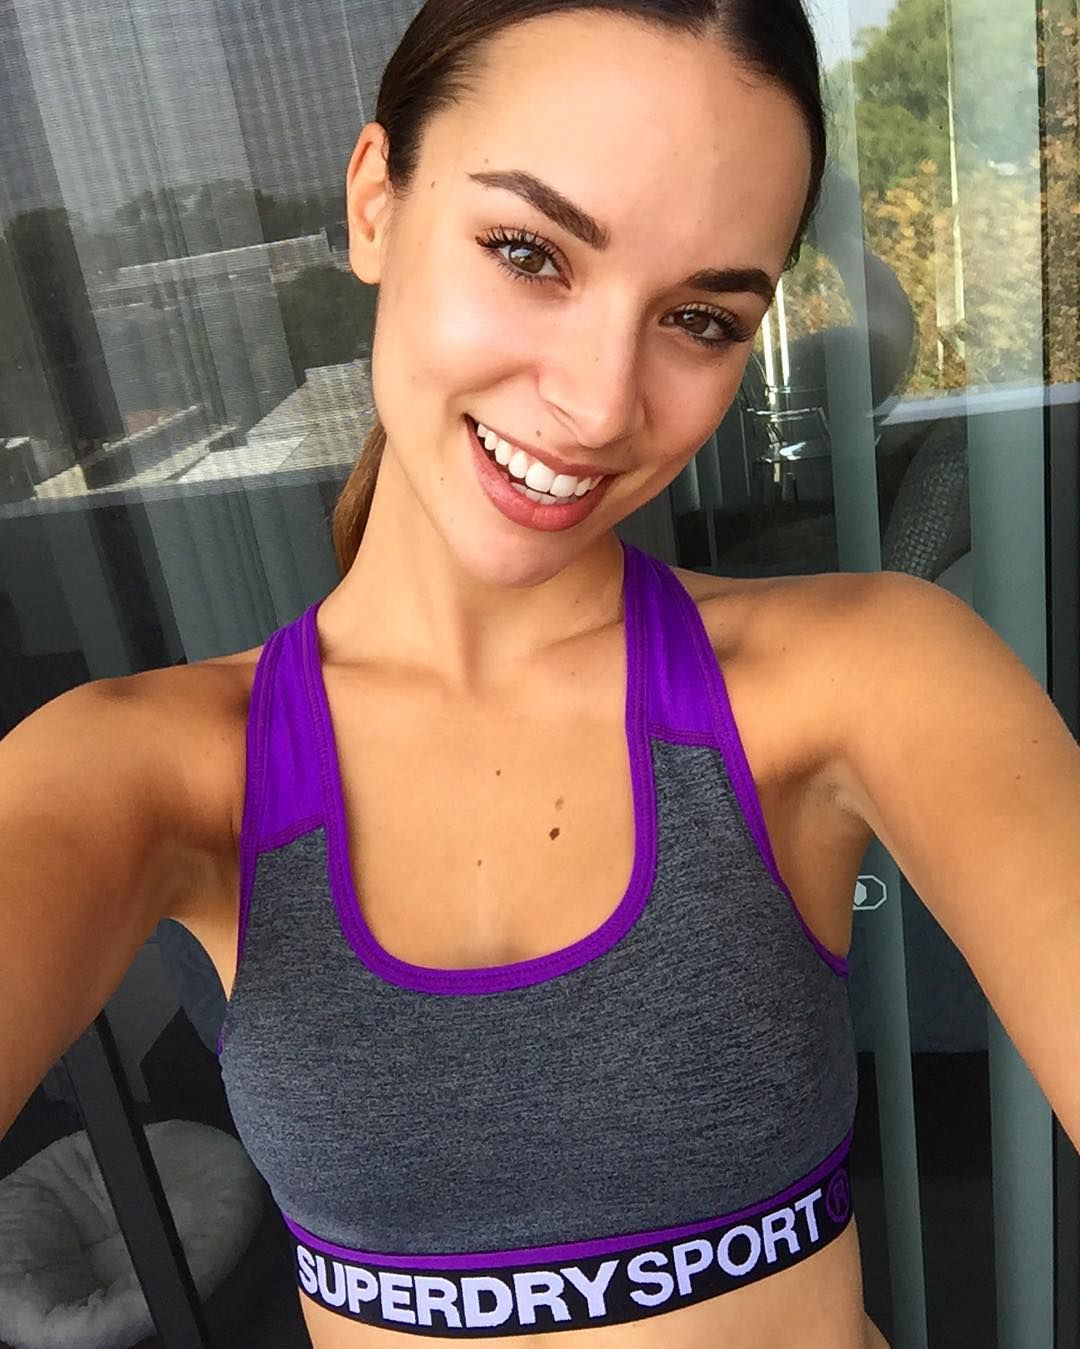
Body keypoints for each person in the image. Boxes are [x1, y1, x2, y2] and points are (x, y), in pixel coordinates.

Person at [5, 2, 1079, 1346]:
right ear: (376, 203)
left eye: (700, 317)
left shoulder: (868, 673)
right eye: (529, 252)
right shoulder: (149, 766)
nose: (599, 403)